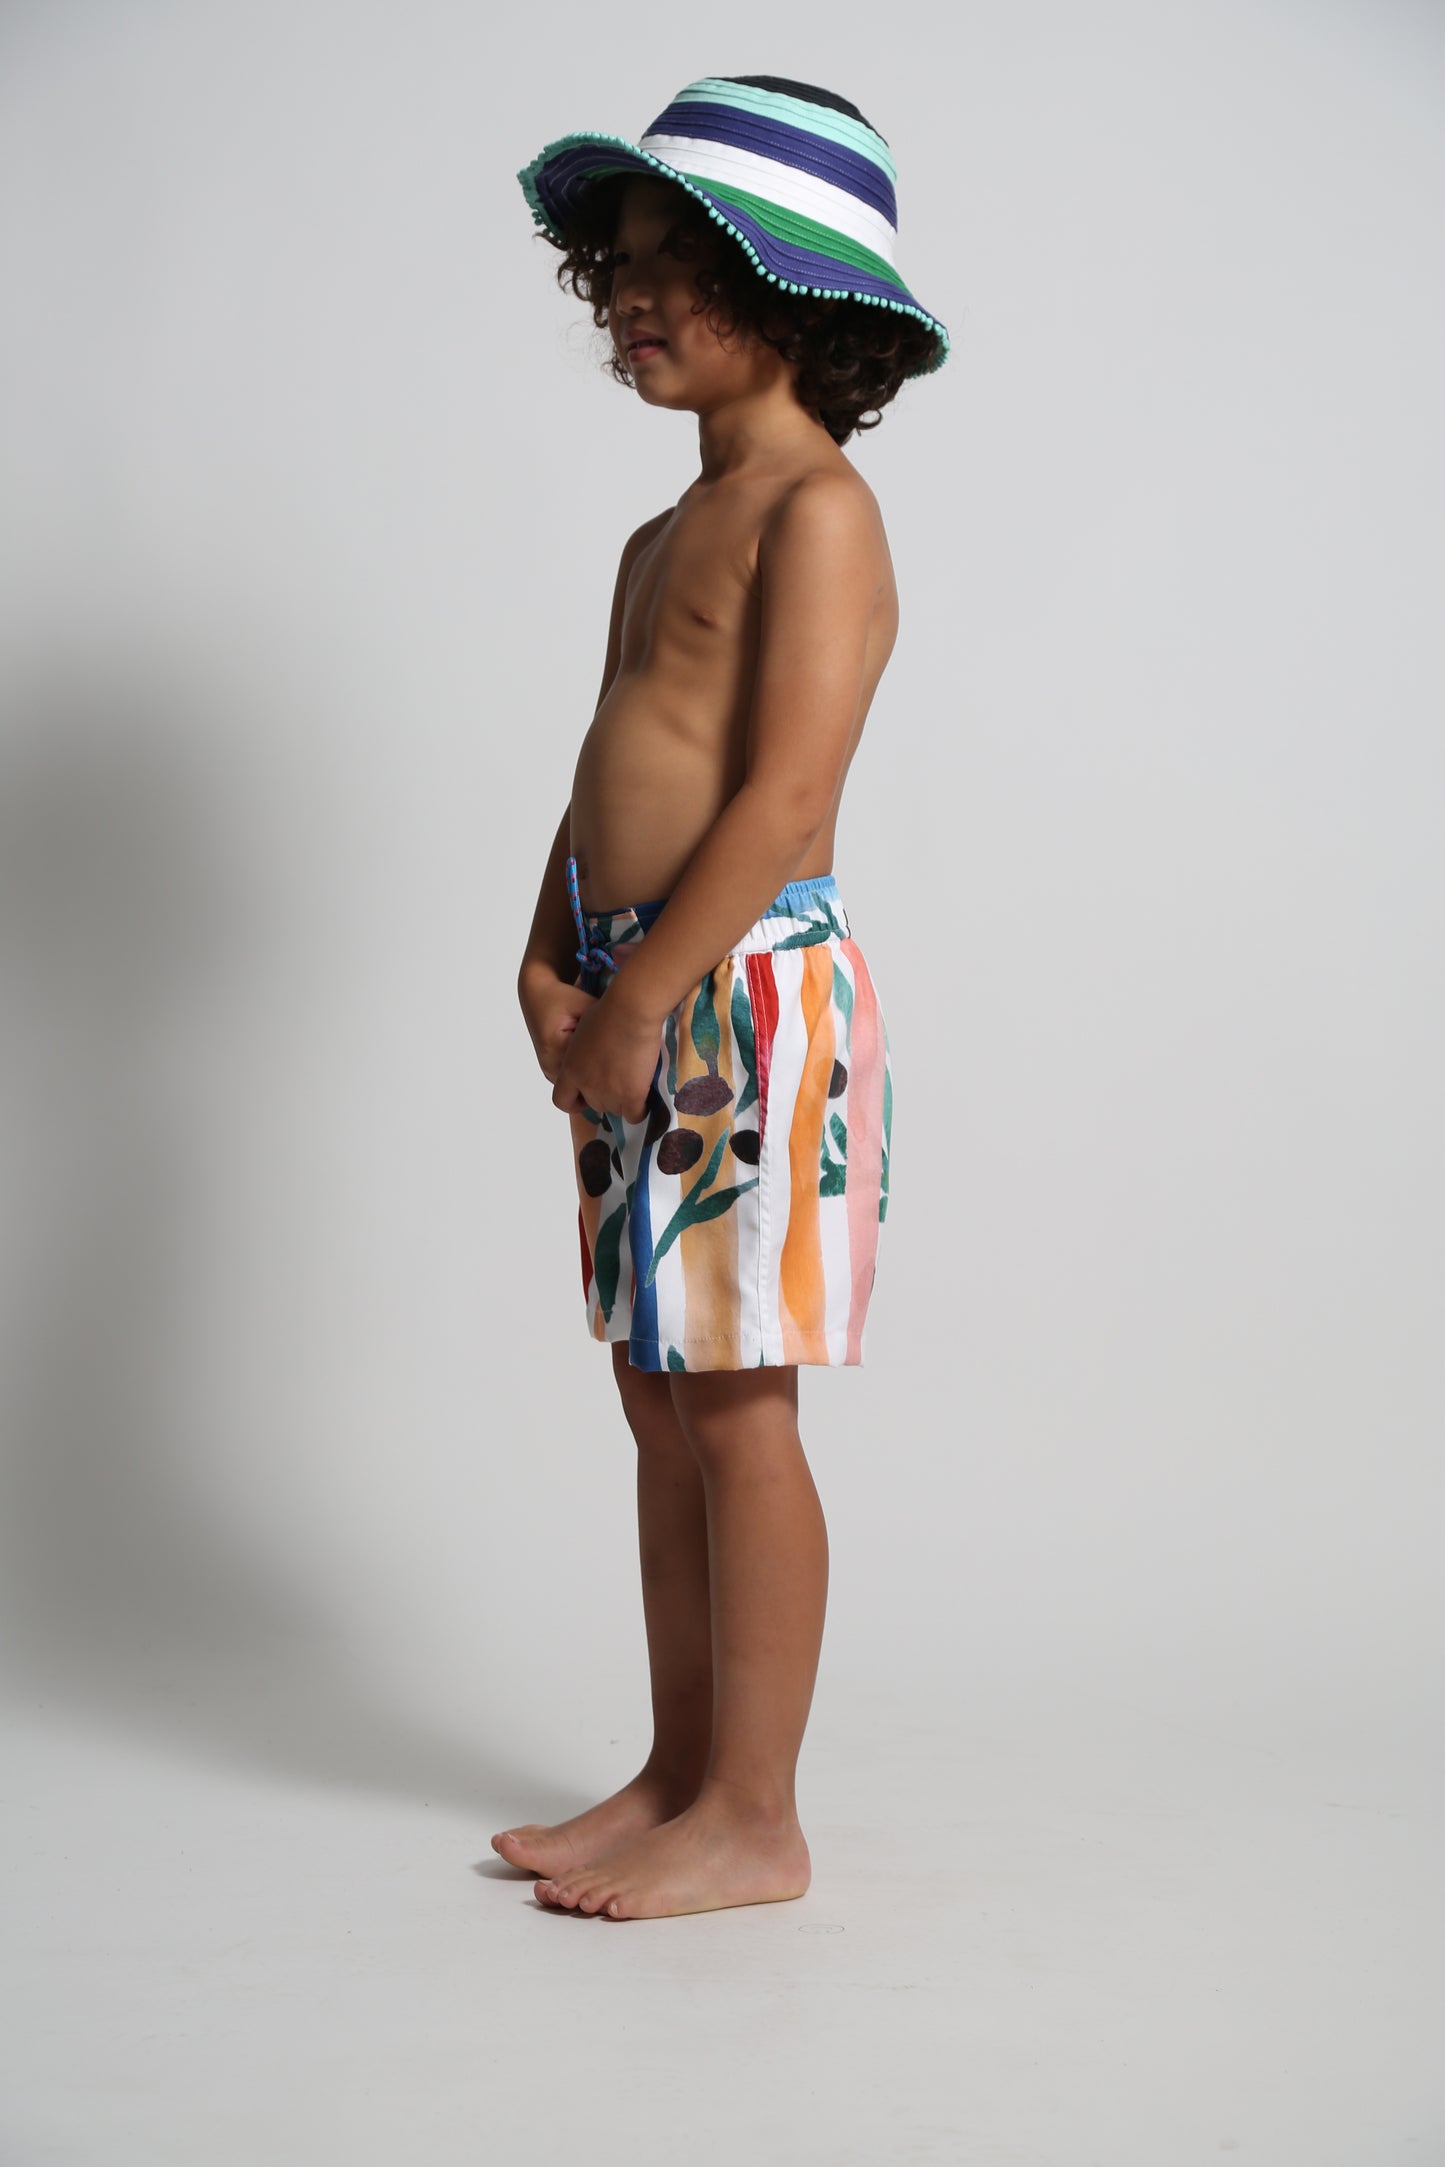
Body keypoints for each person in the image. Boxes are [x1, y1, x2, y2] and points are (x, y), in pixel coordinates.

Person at [494, 74, 949, 1920]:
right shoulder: (658, 534)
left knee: (739, 1407)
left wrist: (643, 1002)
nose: (631, 294)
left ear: (800, 293)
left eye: (680, 263)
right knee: (656, 1401)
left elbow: (779, 796)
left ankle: (756, 1816)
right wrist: (547, 952)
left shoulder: (816, 510)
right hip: (634, 989)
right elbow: (613, 761)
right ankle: (679, 1771)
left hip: (742, 1000)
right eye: (616, 265)